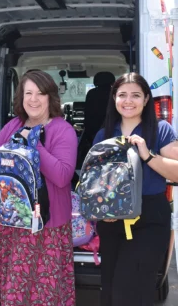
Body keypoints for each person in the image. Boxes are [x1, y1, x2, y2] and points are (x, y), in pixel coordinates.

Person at [0, 70, 77, 305]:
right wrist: (12, 147)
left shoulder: (63, 130)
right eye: (28, 93)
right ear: (21, 97)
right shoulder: (14, 125)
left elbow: (63, 176)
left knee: (46, 295)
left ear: (50, 98)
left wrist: (32, 146)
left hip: (49, 226)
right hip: (14, 222)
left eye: (40, 94)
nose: (33, 99)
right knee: (16, 292)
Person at [93, 72, 178, 306]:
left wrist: (147, 155)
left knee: (130, 292)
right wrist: (102, 211)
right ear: (114, 98)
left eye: (135, 95)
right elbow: (96, 180)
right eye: (122, 95)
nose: (128, 101)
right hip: (111, 220)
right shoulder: (104, 134)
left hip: (150, 218)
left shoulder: (160, 130)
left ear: (146, 99)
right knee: (109, 291)